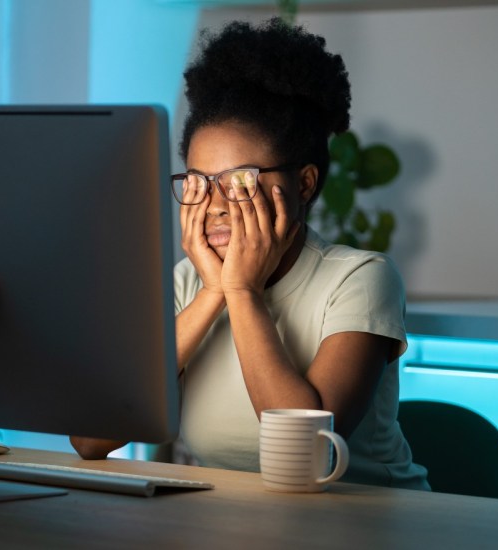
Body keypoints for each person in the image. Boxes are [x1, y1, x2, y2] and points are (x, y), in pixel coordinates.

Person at [71, 18, 429, 490]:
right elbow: (89, 439)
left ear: (303, 184)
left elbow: (309, 455)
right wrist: (213, 293)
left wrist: (241, 291)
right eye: (198, 182)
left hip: (363, 526)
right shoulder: (188, 283)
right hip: (239, 524)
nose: (215, 205)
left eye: (239, 181)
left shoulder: (362, 279)